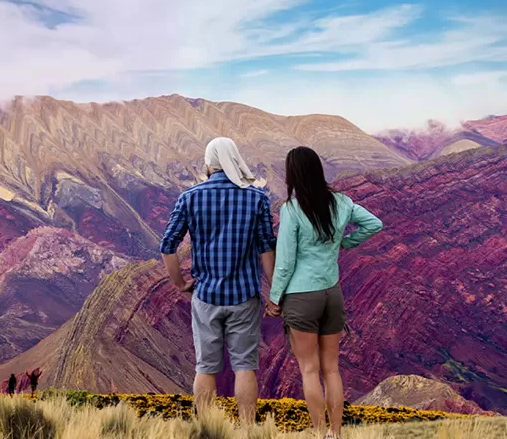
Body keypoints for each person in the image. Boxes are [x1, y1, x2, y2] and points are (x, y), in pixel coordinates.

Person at [267, 146, 383, 439]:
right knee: (332, 369)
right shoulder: (342, 202)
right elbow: (374, 224)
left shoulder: (292, 210)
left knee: (309, 370)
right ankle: (336, 432)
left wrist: (274, 298)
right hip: (332, 294)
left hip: (301, 296)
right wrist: (345, 243)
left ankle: (319, 434)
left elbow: (285, 262)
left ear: (293, 174)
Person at [160, 137, 277, 426]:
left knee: (206, 368)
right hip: (244, 295)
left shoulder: (190, 197)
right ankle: (248, 430)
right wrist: (275, 293)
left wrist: (180, 284)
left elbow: (168, 245)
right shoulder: (257, 198)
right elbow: (266, 248)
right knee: (245, 367)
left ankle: (206, 428)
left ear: (209, 163)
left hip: (206, 295)